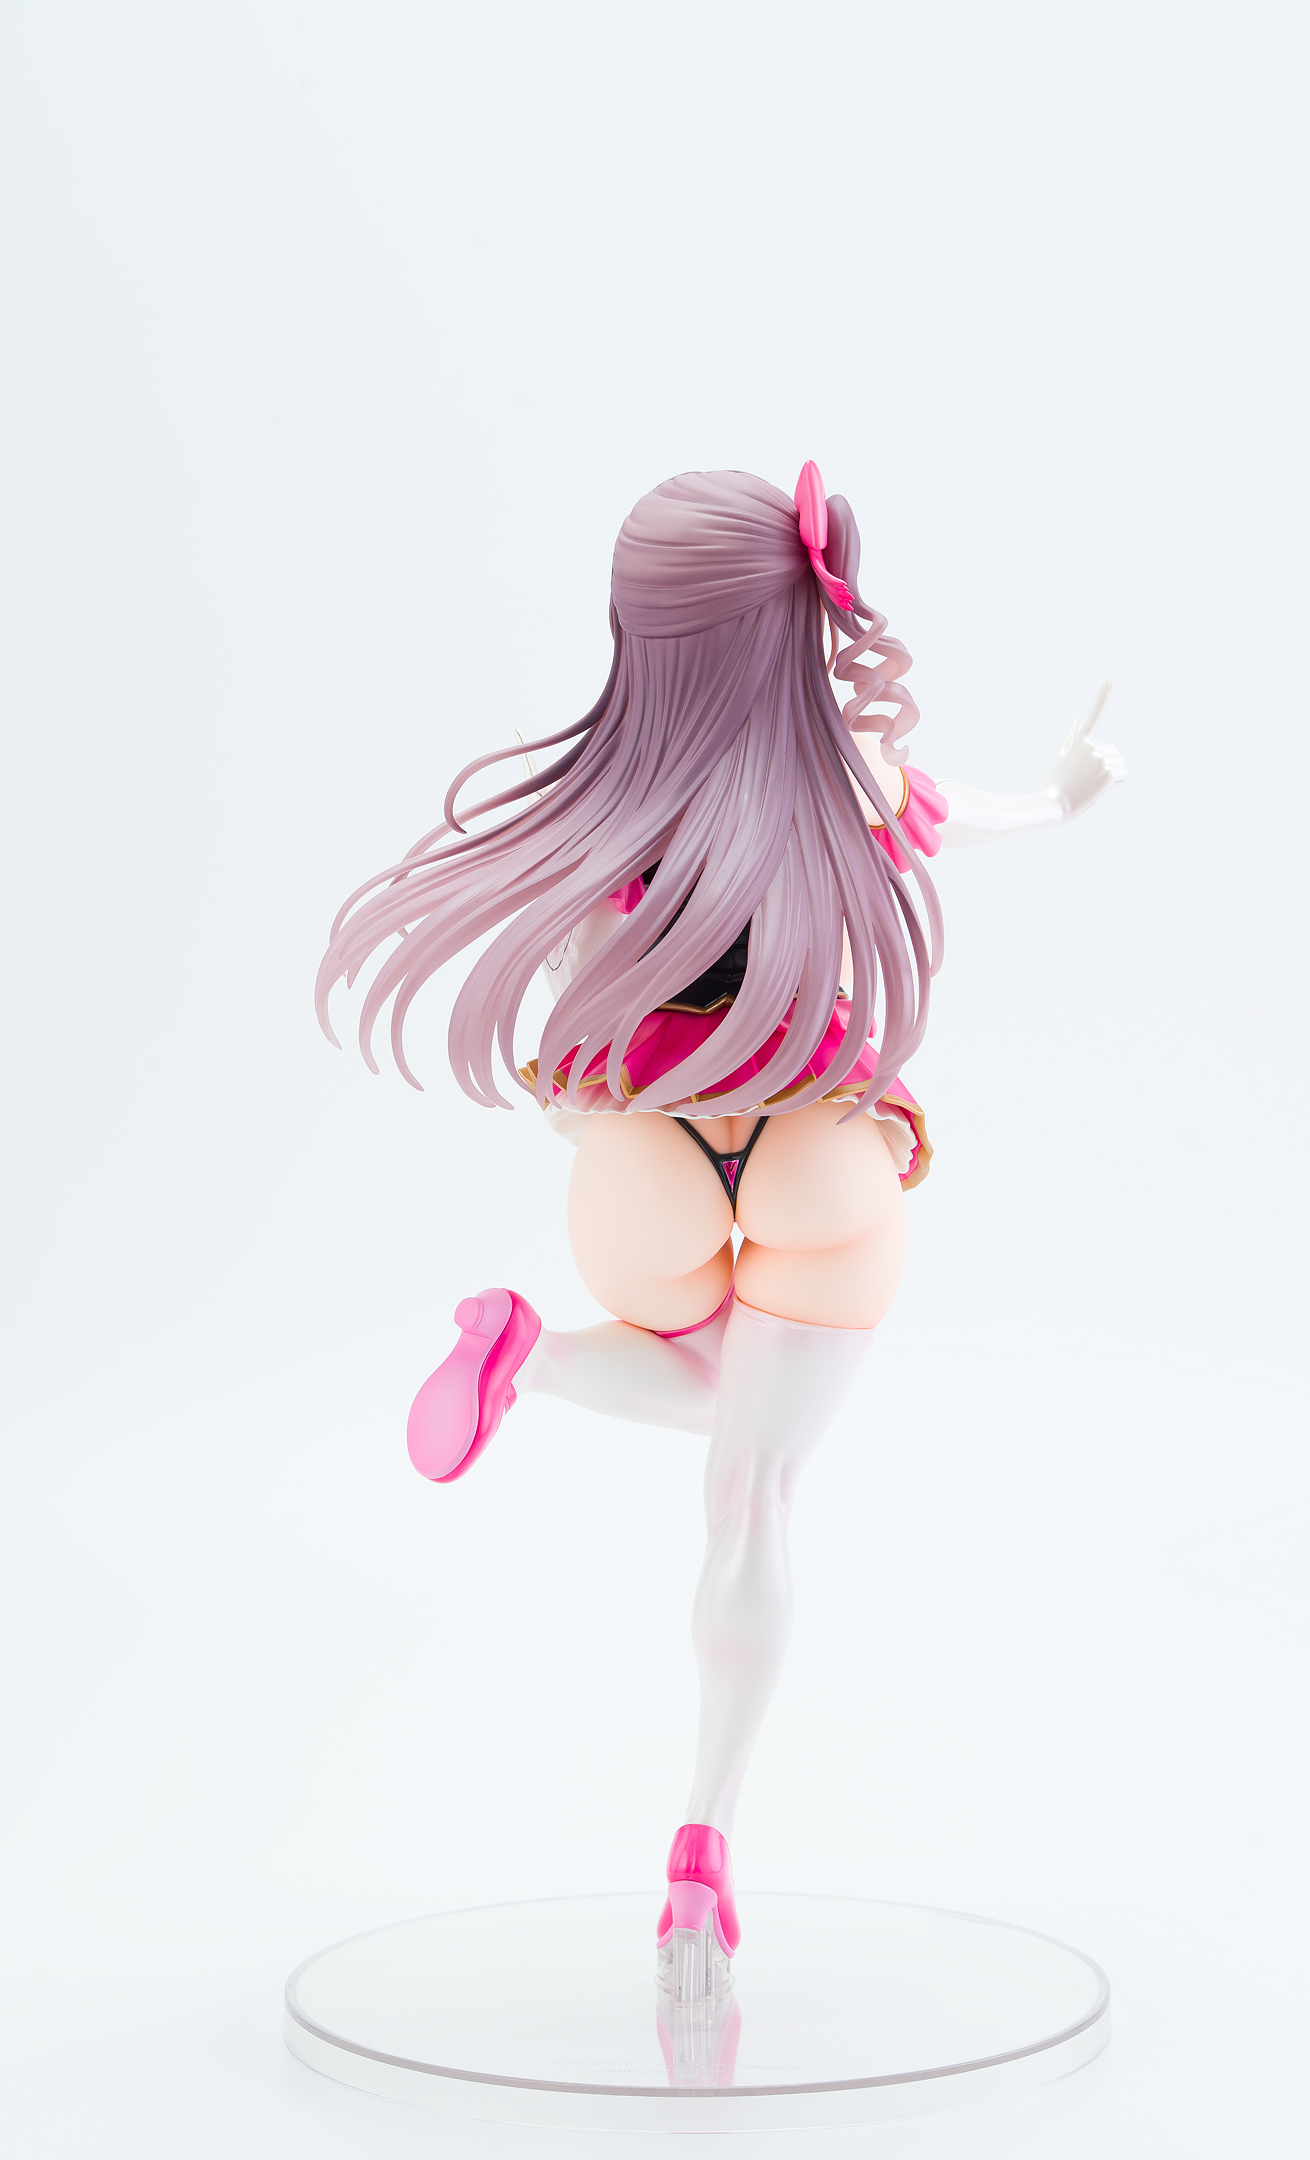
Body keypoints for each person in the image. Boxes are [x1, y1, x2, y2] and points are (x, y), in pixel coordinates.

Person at [316, 464, 1124, 1990]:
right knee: (749, 1493)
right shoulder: (850, 777)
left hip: (645, 1164)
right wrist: (1066, 793)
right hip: (818, 1151)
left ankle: (538, 1358)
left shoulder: (601, 811)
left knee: (708, 1390)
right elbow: (975, 819)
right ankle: (702, 1855)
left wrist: (603, 1109)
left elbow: (573, 1027)